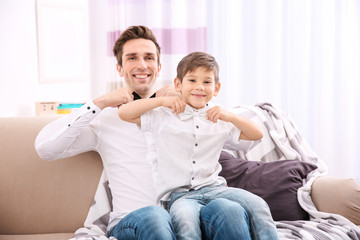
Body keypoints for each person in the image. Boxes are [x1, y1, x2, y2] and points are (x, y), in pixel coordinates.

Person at [34, 25, 255, 240]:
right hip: (134, 221)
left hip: (187, 216)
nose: (142, 65)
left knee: (229, 211)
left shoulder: (186, 111)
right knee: (155, 215)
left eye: (149, 57)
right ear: (120, 68)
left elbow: (245, 144)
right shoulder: (106, 119)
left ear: (159, 67)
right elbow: (46, 149)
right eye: (132, 58)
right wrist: (99, 102)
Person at [118, 51, 280, 240]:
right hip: (179, 196)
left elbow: (257, 133)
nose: (199, 87)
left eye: (207, 82)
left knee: (258, 204)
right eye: (192, 80)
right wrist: (161, 100)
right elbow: (124, 113)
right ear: (178, 84)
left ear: (216, 88)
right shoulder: (163, 115)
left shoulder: (219, 119)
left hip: (215, 188)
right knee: (185, 222)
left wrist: (231, 116)